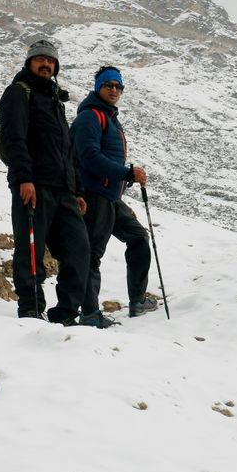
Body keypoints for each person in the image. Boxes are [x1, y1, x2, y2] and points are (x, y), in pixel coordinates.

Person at [0, 39, 89, 325]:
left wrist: (77, 191)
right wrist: (24, 178)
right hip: (33, 186)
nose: (45, 64)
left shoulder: (55, 102)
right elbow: (14, 138)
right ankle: (30, 308)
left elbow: (67, 150)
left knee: (79, 251)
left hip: (64, 192)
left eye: (50, 61)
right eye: (39, 59)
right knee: (31, 249)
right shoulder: (18, 93)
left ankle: (65, 314)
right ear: (29, 63)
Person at [71, 66, 158, 328]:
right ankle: (89, 314)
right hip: (94, 196)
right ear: (98, 87)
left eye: (118, 87)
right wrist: (127, 173)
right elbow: (89, 158)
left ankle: (137, 301)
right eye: (108, 85)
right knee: (92, 255)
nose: (113, 90)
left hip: (109, 197)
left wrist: (122, 185)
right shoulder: (90, 117)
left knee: (139, 237)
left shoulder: (109, 118)